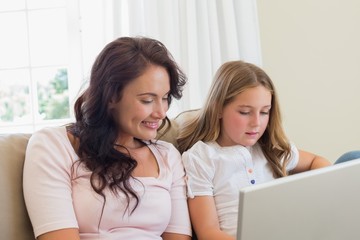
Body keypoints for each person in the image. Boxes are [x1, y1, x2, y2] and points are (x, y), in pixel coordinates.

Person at [23, 36, 192, 240]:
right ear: (111, 96)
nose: (161, 112)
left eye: (165, 98)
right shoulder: (53, 145)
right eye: (147, 100)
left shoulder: (168, 156)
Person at [177, 60, 331, 240]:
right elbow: (208, 232)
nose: (256, 123)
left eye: (264, 112)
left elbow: (317, 161)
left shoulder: (269, 148)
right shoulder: (202, 157)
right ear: (218, 108)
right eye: (244, 112)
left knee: (353, 158)